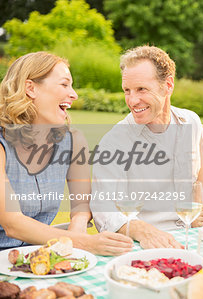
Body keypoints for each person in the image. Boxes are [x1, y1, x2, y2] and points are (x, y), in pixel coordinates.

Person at [0, 51, 133, 255]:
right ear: (30, 88)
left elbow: (81, 204)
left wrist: (76, 233)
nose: (74, 94)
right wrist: (83, 243)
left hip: (40, 253)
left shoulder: (72, 140)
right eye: (64, 84)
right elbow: (13, 223)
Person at [91, 45, 203, 249]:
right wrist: (142, 230)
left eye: (141, 89)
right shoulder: (114, 142)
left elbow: (202, 174)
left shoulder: (191, 121)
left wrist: (197, 209)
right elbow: (103, 210)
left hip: (192, 236)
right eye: (127, 91)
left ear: (168, 85)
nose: (132, 100)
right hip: (145, 244)